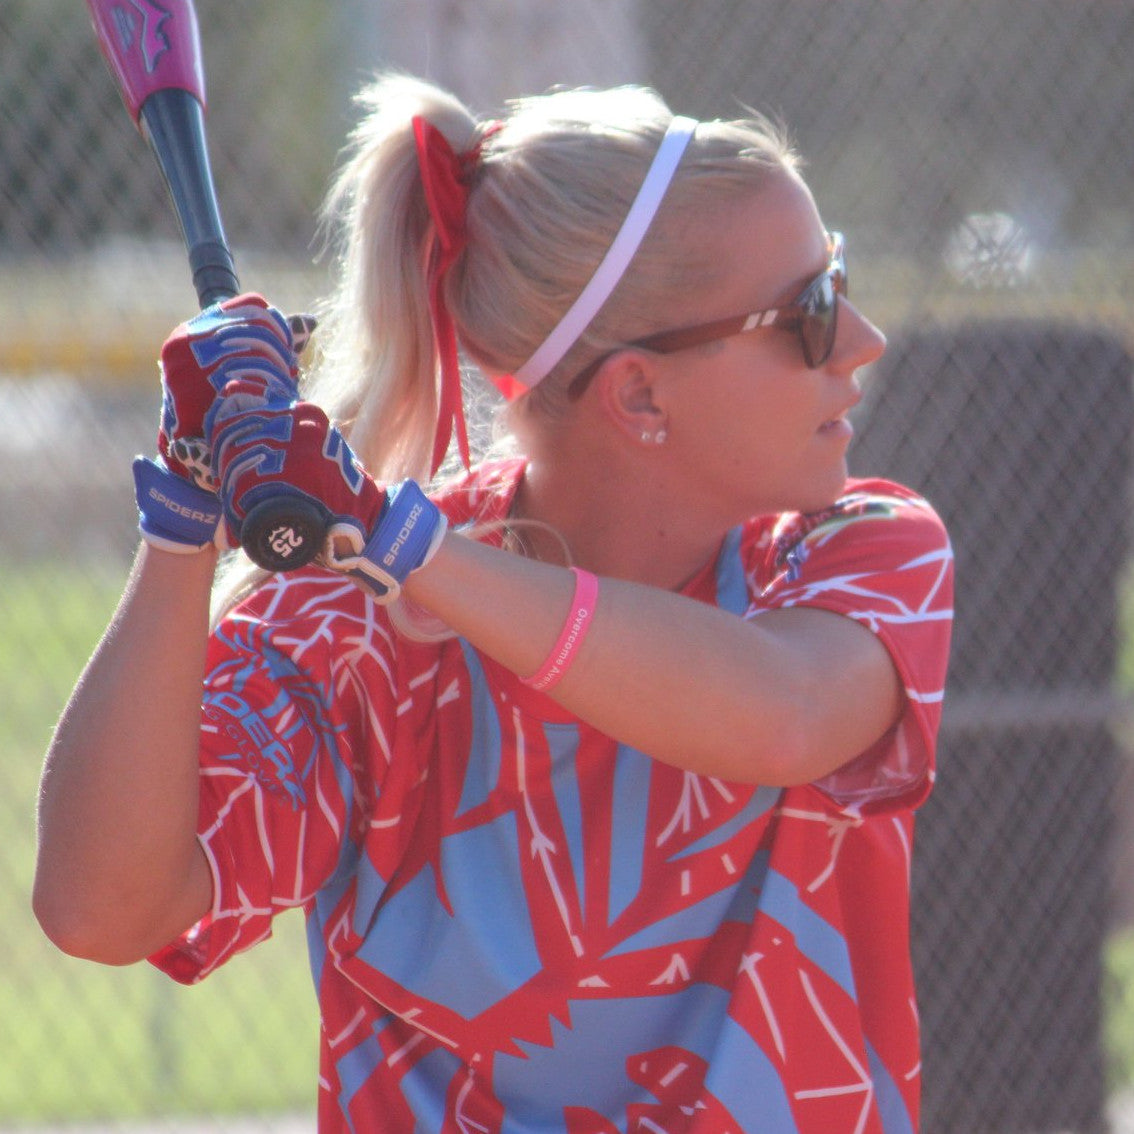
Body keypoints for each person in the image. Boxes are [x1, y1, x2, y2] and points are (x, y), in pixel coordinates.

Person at [34, 73, 954, 1132]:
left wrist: (399, 542)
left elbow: (785, 712)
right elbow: (100, 909)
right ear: (640, 394)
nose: (864, 342)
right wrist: (185, 517)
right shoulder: (364, 625)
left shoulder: (852, 550)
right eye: (810, 314)